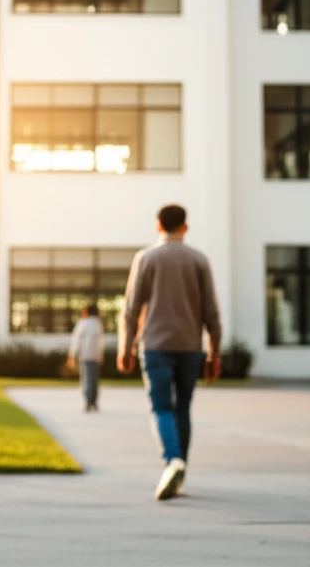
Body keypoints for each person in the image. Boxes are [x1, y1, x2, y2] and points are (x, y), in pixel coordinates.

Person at [118, 204, 222, 501]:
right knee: (183, 408)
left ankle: (172, 460)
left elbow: (132, 307)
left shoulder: (146, 258)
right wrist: (214, 353)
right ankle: (180, 471)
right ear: (185, 227)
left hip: (155, 346)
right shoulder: (199, 260)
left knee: (161, 407)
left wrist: (126, 347)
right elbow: (212, 313)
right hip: (190, 347)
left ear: (157, 226)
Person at [67, 304, 105, 412]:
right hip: (95, 356)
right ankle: (93, 402)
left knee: (86, 379)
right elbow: (101, 341)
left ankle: (88, 402)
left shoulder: (82, 323)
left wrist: (72, 355)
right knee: (94, 380)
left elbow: (76, 340)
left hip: (85, 355)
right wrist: (101, 355)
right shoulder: (98, 323)